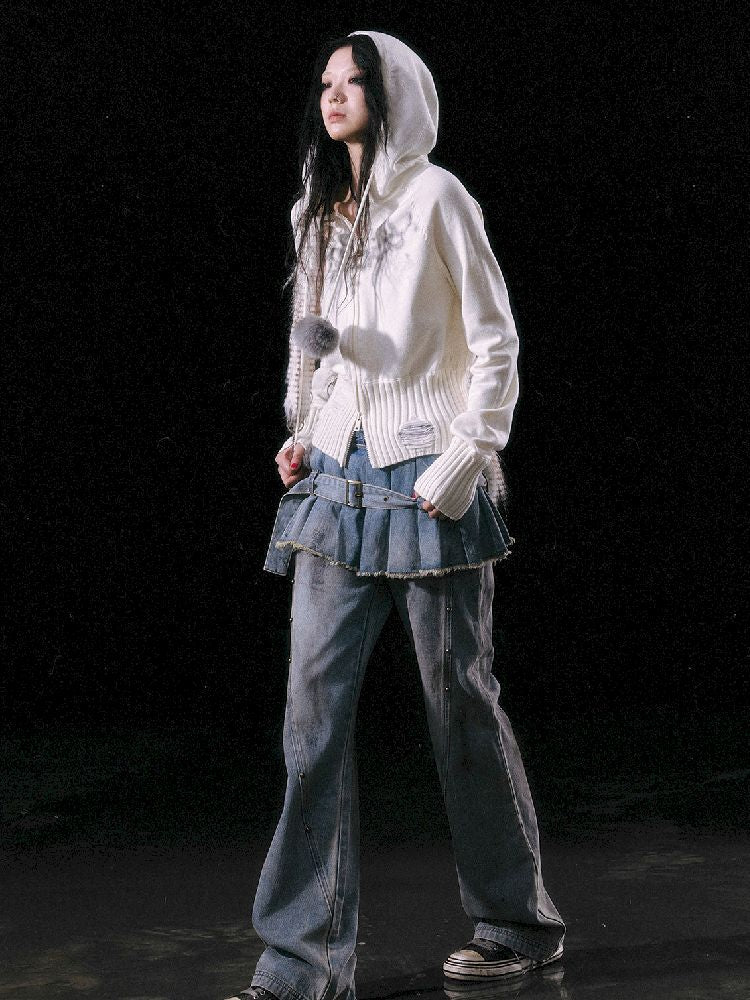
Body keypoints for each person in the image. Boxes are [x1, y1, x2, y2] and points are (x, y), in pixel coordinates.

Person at [226, 28, 564, 1000]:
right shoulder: (318, 210)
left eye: (355, 80)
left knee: (458, 704)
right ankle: (302, 962)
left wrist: (467, 456)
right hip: (337, 481)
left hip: (428, 478)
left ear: (395, 92)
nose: (334, 93)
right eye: (326, 81)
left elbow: (495, 340)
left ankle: (517, 922)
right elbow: (323, 349)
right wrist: (305, 430)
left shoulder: (438, 197)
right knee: (311, 721)